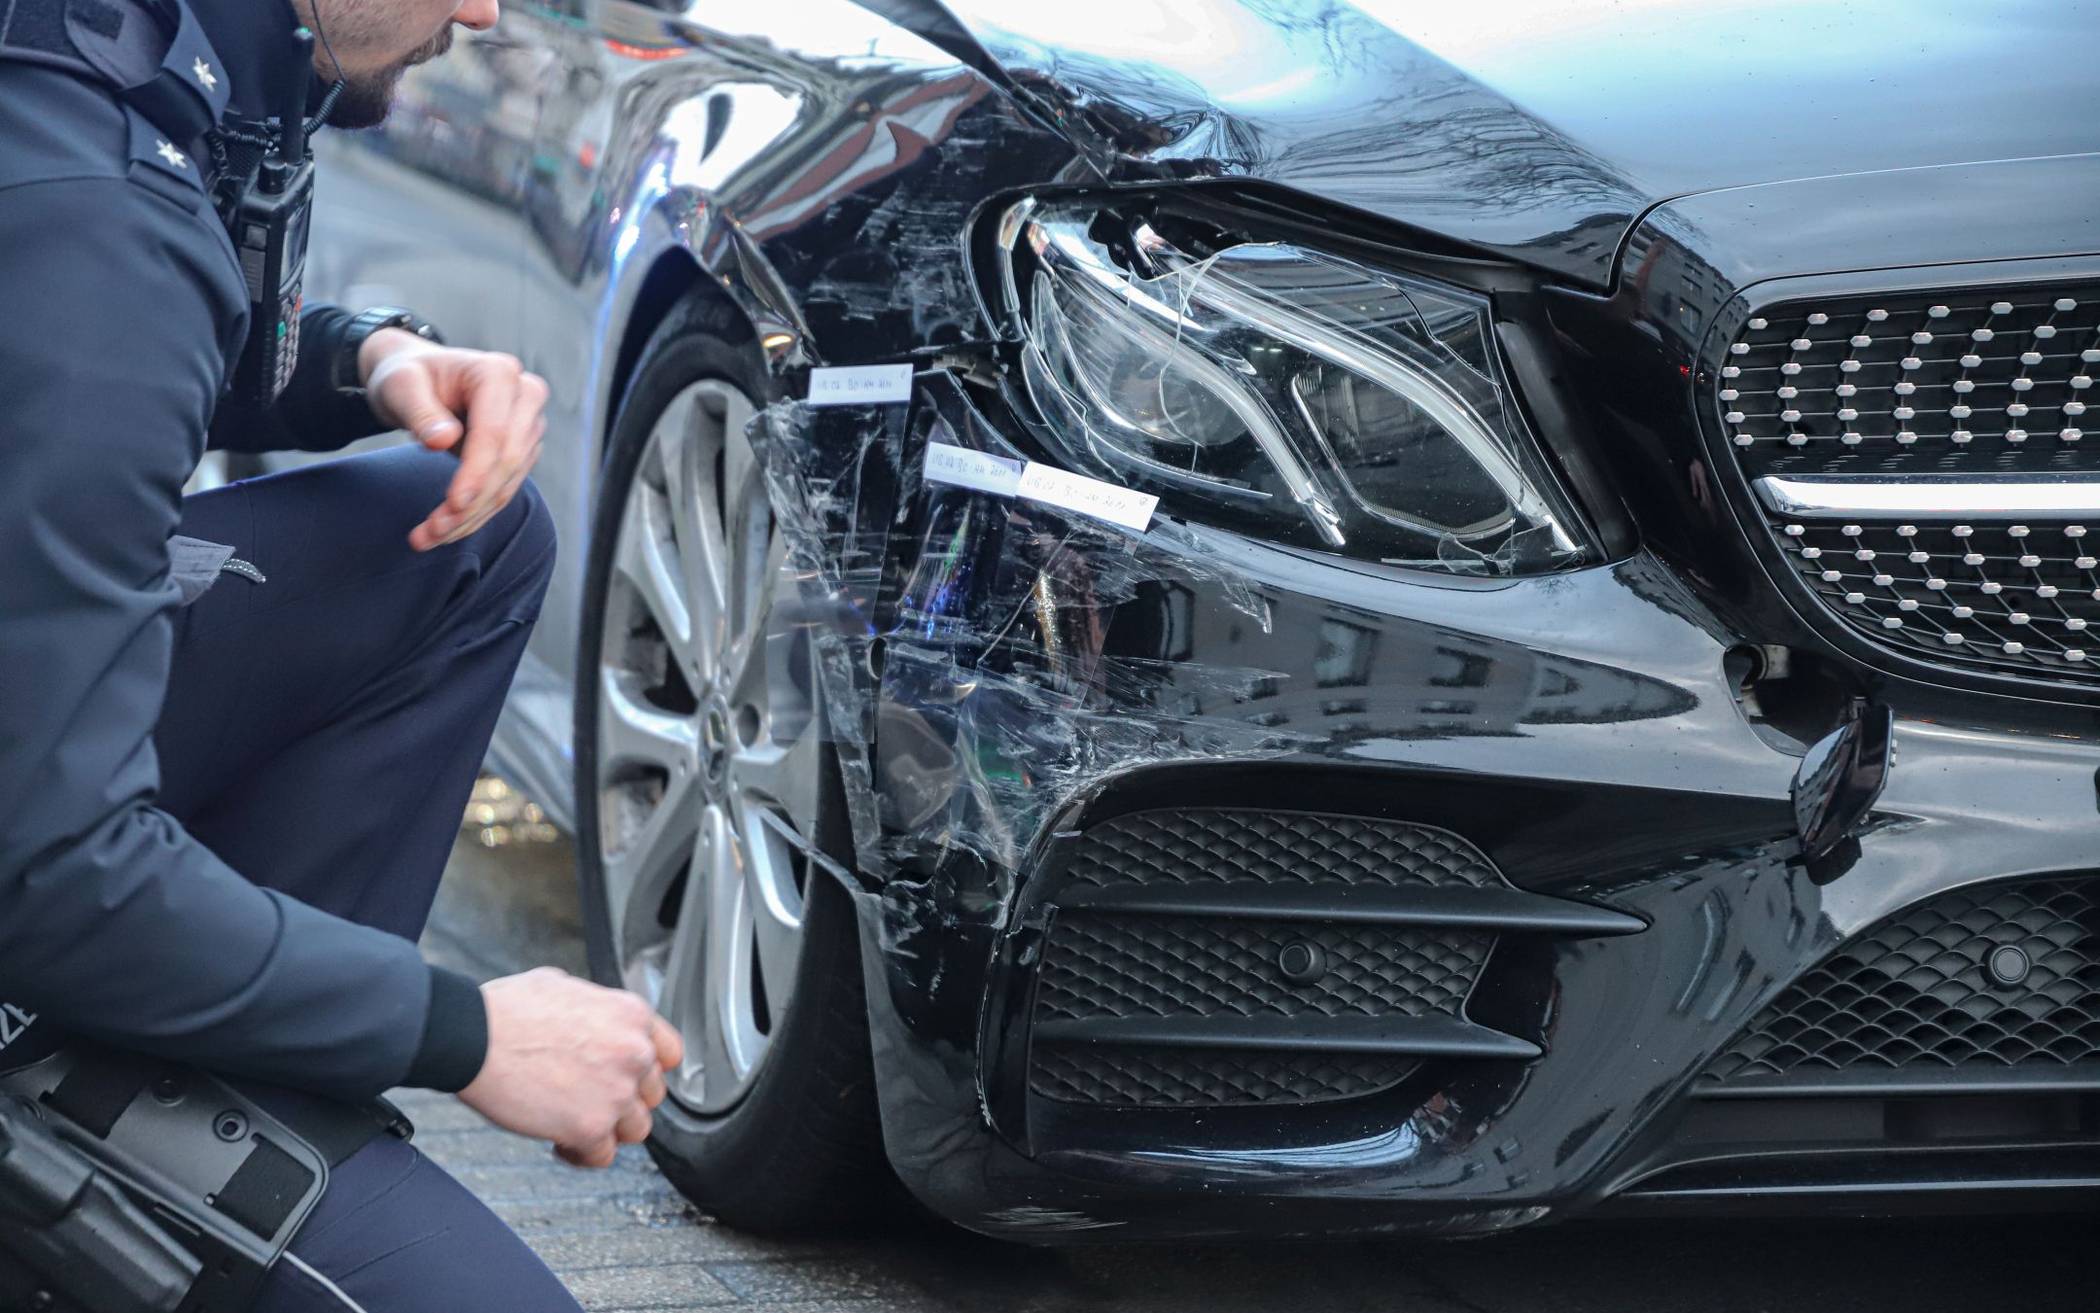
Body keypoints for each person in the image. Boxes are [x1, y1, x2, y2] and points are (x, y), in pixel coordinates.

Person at [0, 0, 678, 1308]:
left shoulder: (112, 60)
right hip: (38, 882)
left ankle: (215, 1067)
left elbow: (103, 362)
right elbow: (43, 872)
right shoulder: (94, 215)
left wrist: (366, 357)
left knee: (463, 540)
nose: (482, 10)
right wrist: (466, 1030)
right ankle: (84, 1141)